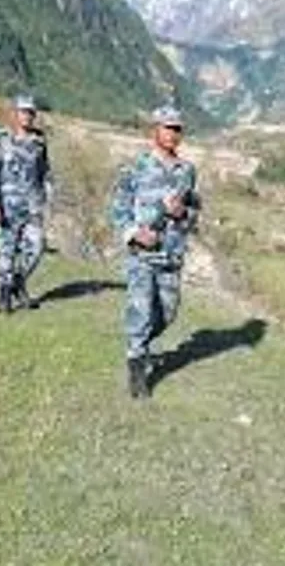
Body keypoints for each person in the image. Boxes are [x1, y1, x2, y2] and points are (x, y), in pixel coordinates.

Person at [110, 105, 201, 399]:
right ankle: (136, 368)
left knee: (168, 313)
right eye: (167, 127)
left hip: (172, 255)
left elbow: (194, 213)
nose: (173, 134)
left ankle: (140, 346)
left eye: (177, 129)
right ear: (155, 130)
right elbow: (118, 208)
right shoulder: (135, 167)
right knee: (141, 309)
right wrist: (134, 233)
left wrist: (183, 212)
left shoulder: (187, 171)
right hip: (142, 254)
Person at [0, 94, 53, 314]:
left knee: (37, 246)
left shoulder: (39, 140)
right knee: (8, 249)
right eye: (23, 111)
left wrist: (48, 196)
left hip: (32, 205)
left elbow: (45, 171)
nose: (28, 116)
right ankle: (4, 295)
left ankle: (17, 283)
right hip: (8, 204)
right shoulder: (1, 138)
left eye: (31, 112)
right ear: (15, 114)